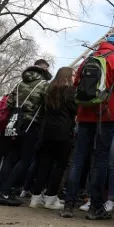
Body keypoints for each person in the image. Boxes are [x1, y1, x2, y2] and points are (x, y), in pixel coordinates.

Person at [61, 34, 114, 219]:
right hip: (105, 114)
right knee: (100, 160)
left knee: (78, 159)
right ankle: (96, 207)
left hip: (84, 114)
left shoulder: (88, 59)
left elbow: (76, 84)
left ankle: (68, 205)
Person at [0, 63, 52, 206]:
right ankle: (6, 191)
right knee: (25, 159)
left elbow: (9, 103)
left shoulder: (19, 84)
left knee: (10, 156)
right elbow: (48, 106)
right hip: (31, 125)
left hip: (13, 122)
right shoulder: (43, 85)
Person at [27, 67, 77, 210]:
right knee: (59, 166)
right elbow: (75, 108)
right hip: (63, 131)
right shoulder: (70, 91)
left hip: (47, 131)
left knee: (44, 164)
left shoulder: (49, 90)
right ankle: (51, 198)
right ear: (68, 76)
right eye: (73, 74)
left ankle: (35, 198)